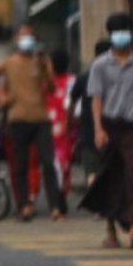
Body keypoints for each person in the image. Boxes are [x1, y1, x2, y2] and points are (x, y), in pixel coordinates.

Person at [0, 24, 67, 221]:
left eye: (30, 36)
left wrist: (47, 66)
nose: (27, 40)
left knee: (48, 162)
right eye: (23, 36)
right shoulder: (10, 62)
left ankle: (55, 207)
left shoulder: (39, 61)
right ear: (17, 41)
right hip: (17, 119)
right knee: (20, 165)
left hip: (41, 118)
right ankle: (24, 206)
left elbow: (51, 87)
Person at [81, 13, 133, 249]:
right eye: (116, 31)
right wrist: (98, 129)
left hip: (132, 126)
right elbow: (96, 99)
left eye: (124, 30)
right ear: (110, 35)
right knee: (110, 176)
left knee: (132, 175)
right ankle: (111, 230)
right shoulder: (100, 65)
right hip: (109, 125)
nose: (121, 35)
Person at [69, 40, 111, 187]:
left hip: (88, 130)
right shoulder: (116, 76)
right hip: (110, 128)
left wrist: (69, 124)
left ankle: (97, 199)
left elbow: (72, 102)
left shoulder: (83, 76)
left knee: (91, 171)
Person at [47, 49, 75, 199]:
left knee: (56, 163)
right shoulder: (71, 81)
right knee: (63, 163)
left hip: (54, 128)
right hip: (65, 129)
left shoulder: (47, 83)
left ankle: (59, 195)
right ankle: (61, 193)